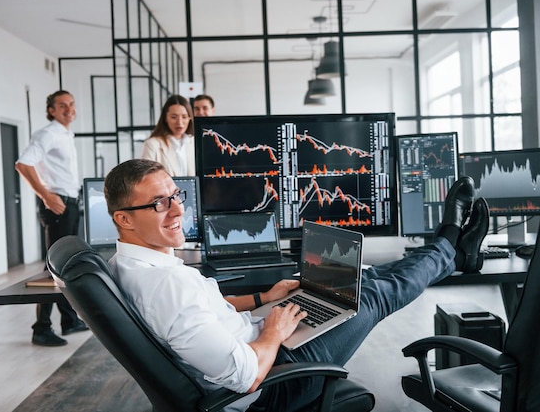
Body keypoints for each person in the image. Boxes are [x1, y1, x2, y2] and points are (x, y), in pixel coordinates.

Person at [103, 159, 488, 411]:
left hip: (259, 342)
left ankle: (449, 249)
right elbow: (244, 376)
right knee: (368, 295)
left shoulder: (129, 264)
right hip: (268, 385)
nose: (178, 210)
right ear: (124, 218)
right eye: (159, 204)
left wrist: (262, 298)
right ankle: (450, 246)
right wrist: (272, 331)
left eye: (176, 196)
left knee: (357, 280)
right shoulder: (166, 284)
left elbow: (198, 313)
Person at [15, 90, 89, 347]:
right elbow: (23, 164)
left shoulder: (65, 134)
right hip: (57, 205)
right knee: (53, 268)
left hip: (69, 204)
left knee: (64, 265)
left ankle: (68, 320)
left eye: (71, 104)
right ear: (52, 111)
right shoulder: (48, 133)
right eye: (62, 105)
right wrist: (46, 196)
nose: (69, 109)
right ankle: (41, 328)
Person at [141, 94, 195, 177]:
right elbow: (146, 177)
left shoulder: (194, 142)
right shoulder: (152, 145)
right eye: (174, 117)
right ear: (165, 118)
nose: (179, 122)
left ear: (189, 118)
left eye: (184, 117)